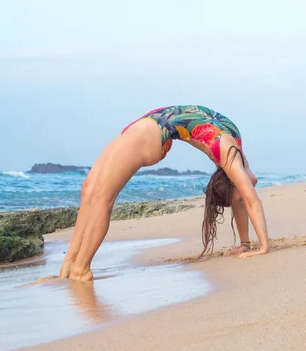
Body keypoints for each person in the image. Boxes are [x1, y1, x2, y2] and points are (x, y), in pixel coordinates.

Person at [59, 105, 270, 281]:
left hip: (149, 129)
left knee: (99, 196)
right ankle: (72, 264)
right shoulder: (229, 154)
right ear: (234, 182)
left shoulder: (236, 156)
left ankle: (80, 267)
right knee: (91, 191)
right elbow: (252, 202)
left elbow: (245, 201)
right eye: (241, 194)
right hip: (149, 131)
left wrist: (245, 243)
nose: (246, 193)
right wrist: (263, 247)